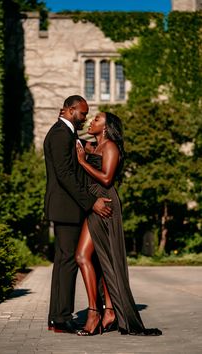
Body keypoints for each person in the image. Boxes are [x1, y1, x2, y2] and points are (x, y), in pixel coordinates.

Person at [74, 111, 162, 336]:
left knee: (89, 257)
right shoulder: (94, 145)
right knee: (96, 259)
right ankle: (108, 312)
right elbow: (74, 136)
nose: (91, 121)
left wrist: (82, 162)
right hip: (94, 202)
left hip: (105, 205)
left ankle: (100, 313)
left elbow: (106, 178)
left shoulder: (110, 147)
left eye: (96, 120)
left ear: (106, 127)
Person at [43, 95, 112, 334]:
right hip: (66, 207)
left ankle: (57, 318)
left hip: (66, 206)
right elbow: (65, 176)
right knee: (67, 261)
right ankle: (61, 318)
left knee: (65, 261)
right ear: (70, 110)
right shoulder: (61, 134)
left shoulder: (68, 134)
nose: (85, 118)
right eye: (82, 113)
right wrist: (92, 202)